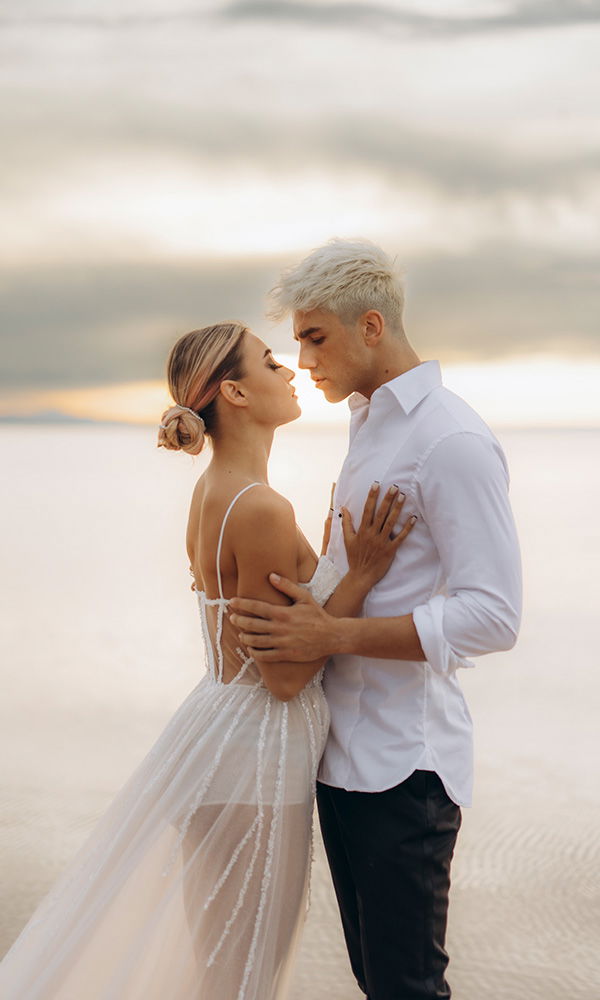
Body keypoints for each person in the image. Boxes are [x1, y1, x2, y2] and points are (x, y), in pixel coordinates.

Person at [0, 320, 417, 1000]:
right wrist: (361, 575)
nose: (288, 370)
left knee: (223, 964)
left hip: (223, 741)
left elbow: (266, 636)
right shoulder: (258, 508)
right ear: (235, 392)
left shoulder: (218, 493)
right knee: (242, 970)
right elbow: (283, 677)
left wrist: (316, 575)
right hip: (251, 756)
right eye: (269, 362)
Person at [229, 239, 523, 1000]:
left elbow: (494, 615)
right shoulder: (369, 427)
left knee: (408, 987)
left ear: (370, 327)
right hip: (340, 759)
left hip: (407, 766)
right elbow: (363, 579)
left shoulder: (451, 440)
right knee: (377, 981)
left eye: (314, 336)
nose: (303, 358)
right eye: (295, 341)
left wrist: (335, 634)